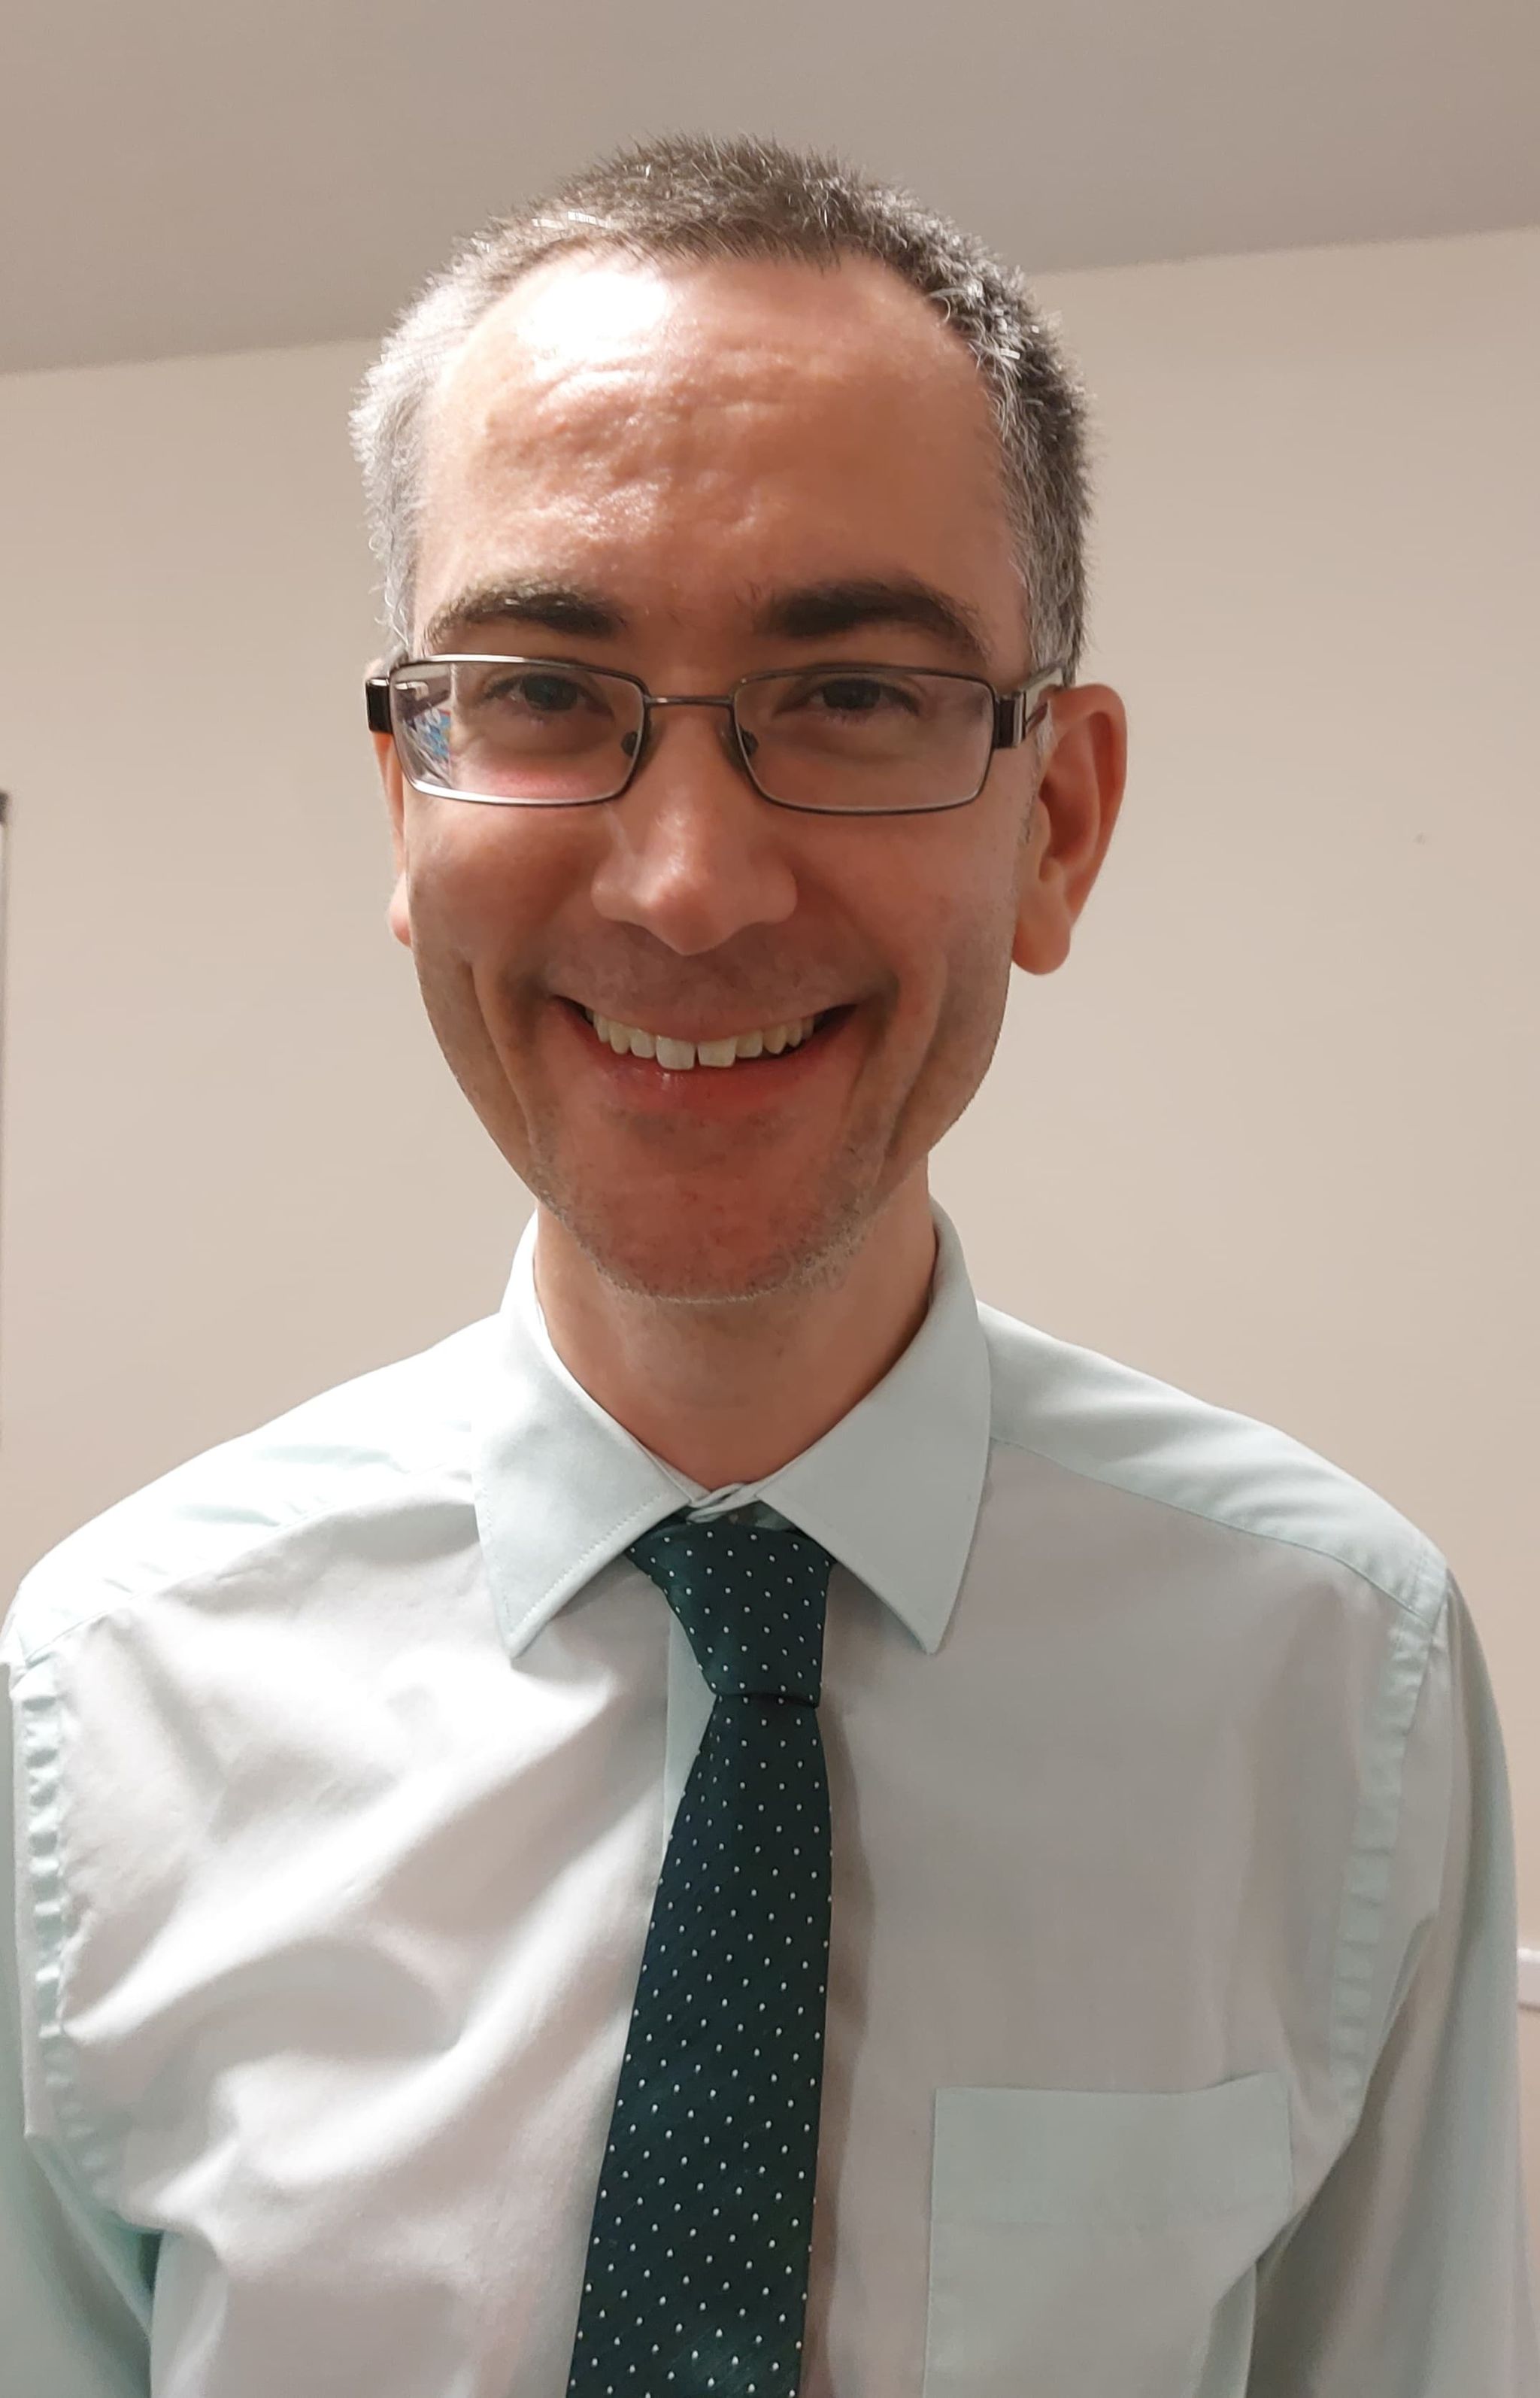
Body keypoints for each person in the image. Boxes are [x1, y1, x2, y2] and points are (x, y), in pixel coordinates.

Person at [2, 132, 1535, 2398]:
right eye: (540, 690)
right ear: (408, 803)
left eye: (851, 697)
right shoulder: (98, 1711)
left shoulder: (1334, 1686)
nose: (691, 885)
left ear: (1058, 821)